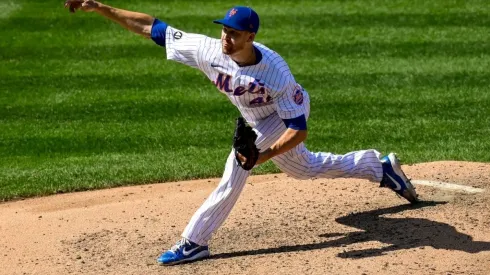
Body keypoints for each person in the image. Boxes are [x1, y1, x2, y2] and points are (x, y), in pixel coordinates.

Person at [64, 0, 419, 266]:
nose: (226, 38)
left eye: (234, 34)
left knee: (236, 169)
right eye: (224, 30)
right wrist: (100, 7)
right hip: (255, 119)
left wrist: (260, 157)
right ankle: (378, 166)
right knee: (304, 169)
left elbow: (298, 130)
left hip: (284, 117)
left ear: (251, 36)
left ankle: (194, 241)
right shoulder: (208, 49)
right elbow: (152, 28)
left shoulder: (276, 73)